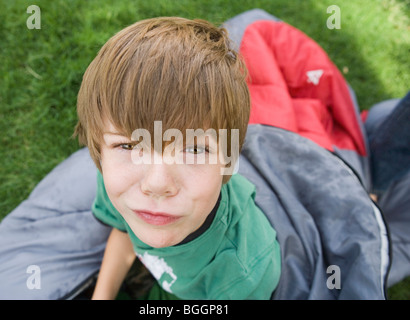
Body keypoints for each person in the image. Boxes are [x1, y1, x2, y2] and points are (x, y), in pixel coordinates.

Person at [74, 17, 281, 300]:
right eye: (131, 146)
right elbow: (123, 231)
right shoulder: (117, 181)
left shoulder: (242, 273)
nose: (157, 183)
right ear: (100, 150)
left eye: (194, 150)